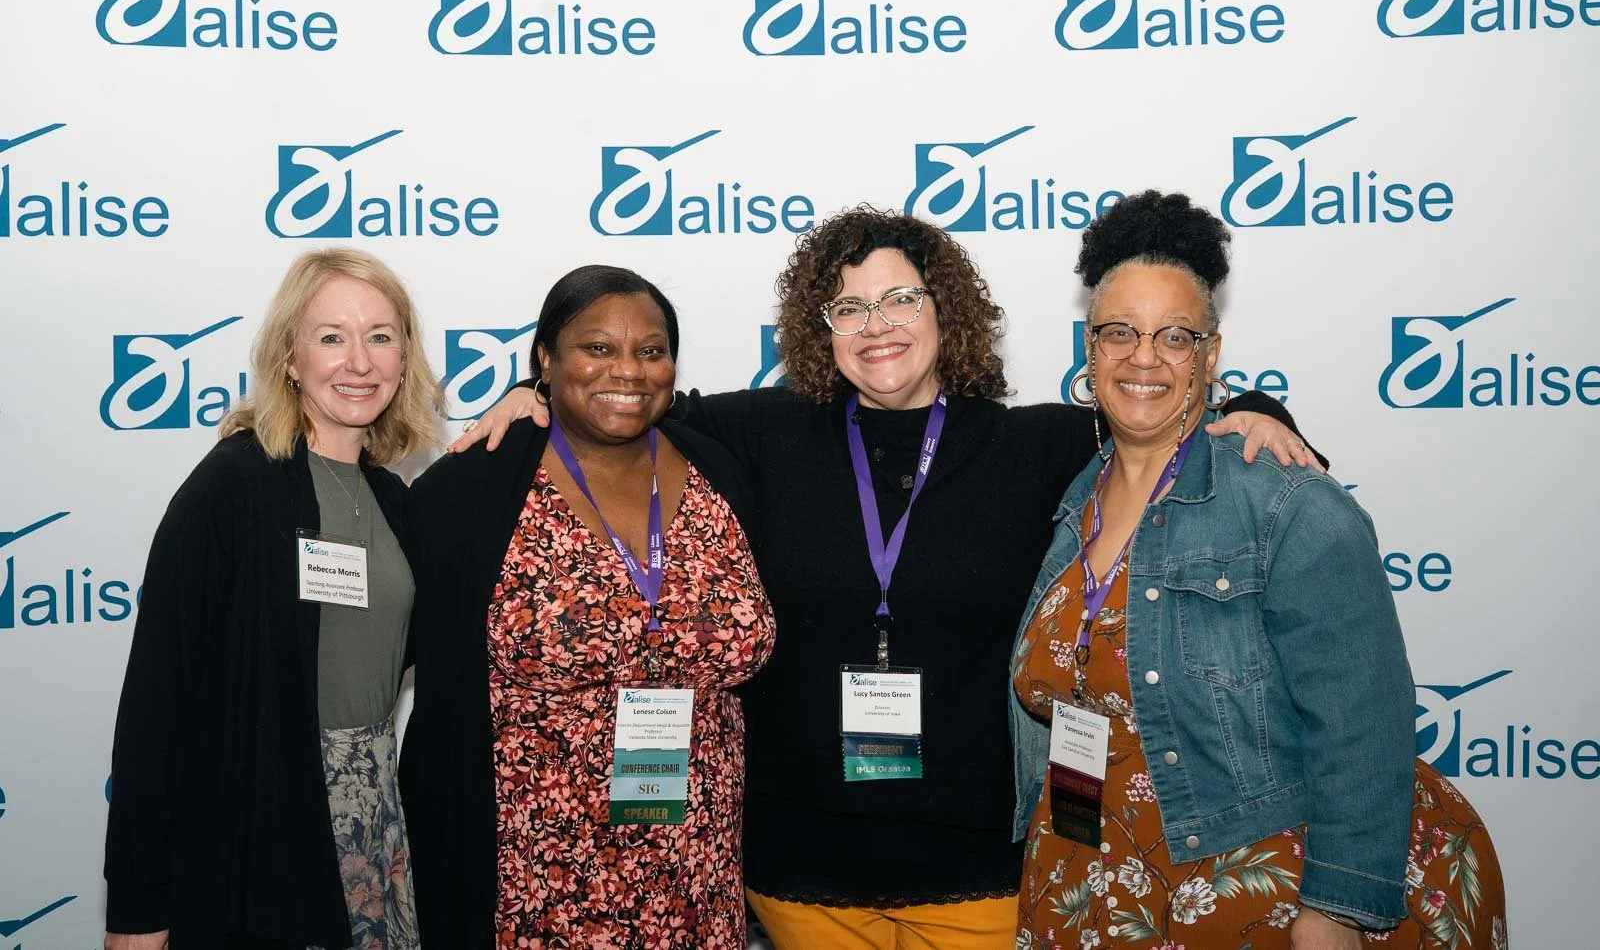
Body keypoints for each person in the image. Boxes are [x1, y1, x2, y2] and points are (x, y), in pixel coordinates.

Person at [461, 207, 1316, 950]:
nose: (879, 324)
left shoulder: (1033, 445)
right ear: (820, 325)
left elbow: (1153, 400)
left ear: (947, 310)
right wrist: (522, 394)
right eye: (852, 305)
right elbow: (618, 395)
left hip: (977, 871)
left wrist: (1256, 412)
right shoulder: (763, 432)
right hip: (801, 874)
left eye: (902, 297)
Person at [1009, 191, 1507, 949]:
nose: (1144, 357)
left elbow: (1363, 720)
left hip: (1247, 887)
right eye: (1120, 332)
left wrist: (1338, 907)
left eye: (1174, 336)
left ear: (1210, 353)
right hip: (1088, 878)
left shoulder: (1286, 505)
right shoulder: (1075, 497)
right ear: (1090, 346)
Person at [400, 265, 774, 949]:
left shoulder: (723, 467)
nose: (627, 370)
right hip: (533, 884)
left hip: (699, 877)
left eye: (650, 350)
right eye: (597, 348)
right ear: (546, 357)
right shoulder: (471, 487)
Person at [104, 248, 439, 950]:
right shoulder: (232, 487)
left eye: (381, 336)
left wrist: (534, 398)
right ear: (289, 356)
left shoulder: (394, 498)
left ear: (405, 358)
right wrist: (138, 904)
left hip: (375, 821)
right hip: (260, 821)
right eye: (331, 336)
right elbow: (157, 704)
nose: (359, 361)